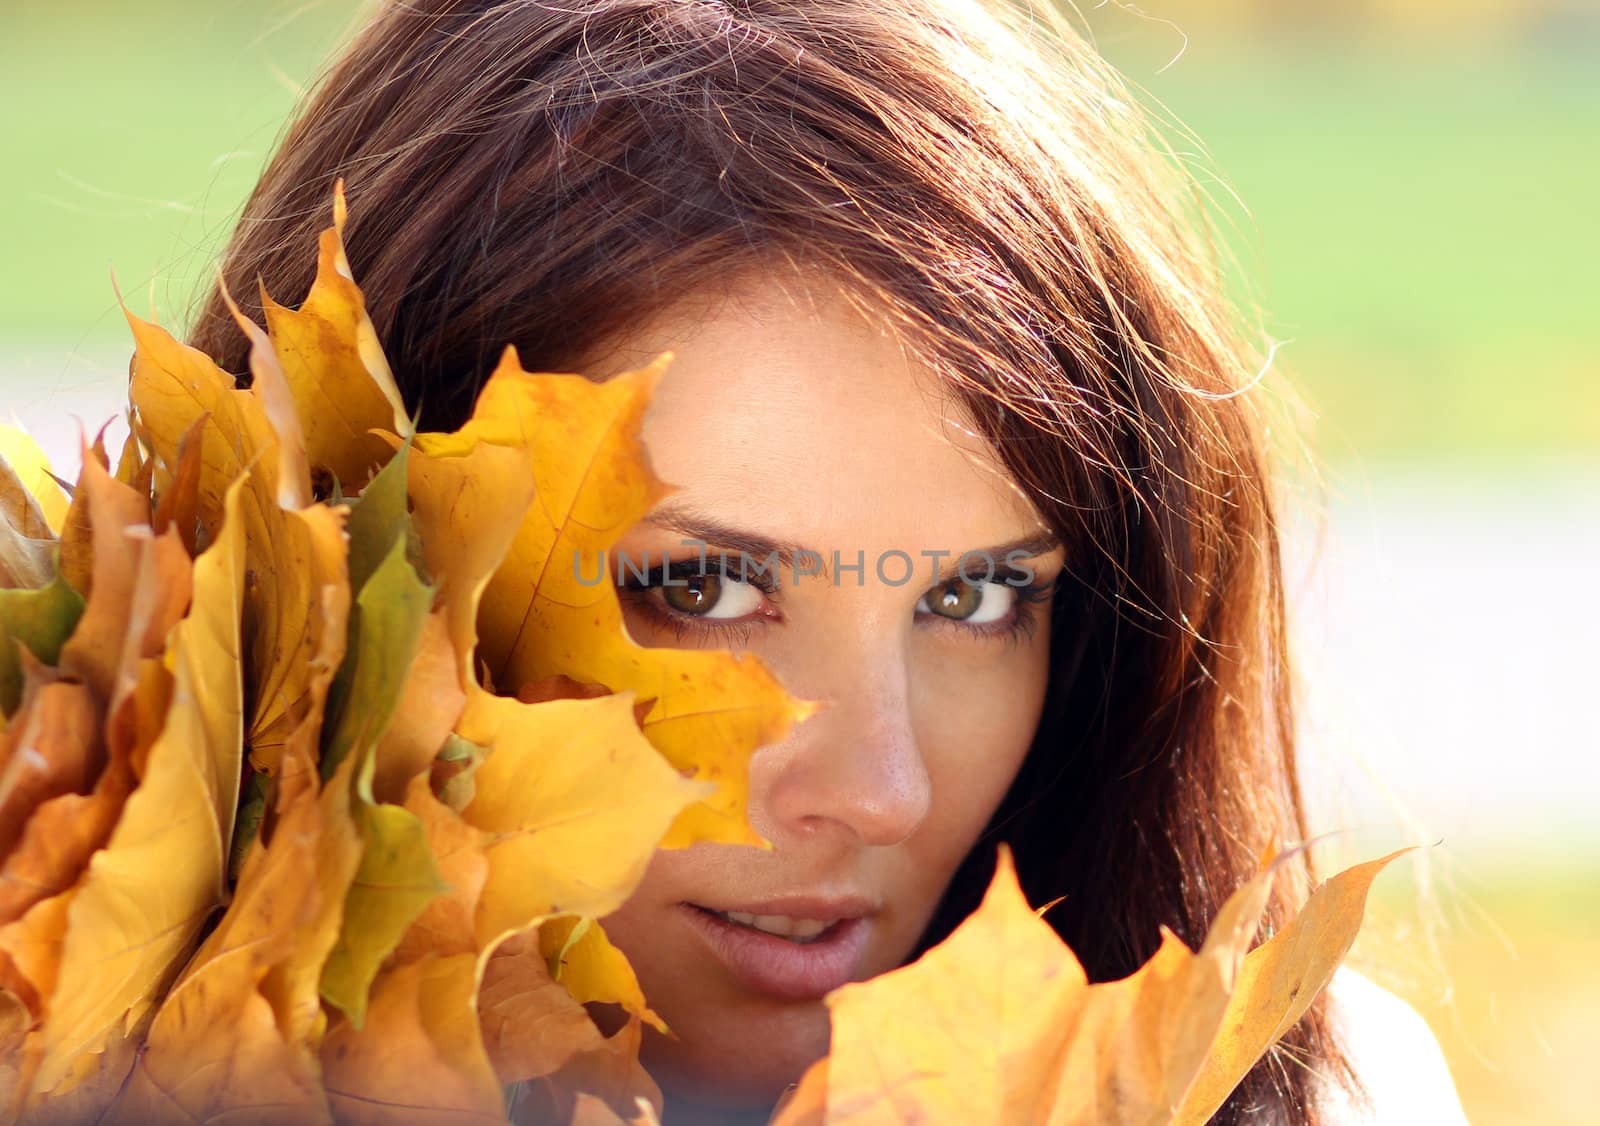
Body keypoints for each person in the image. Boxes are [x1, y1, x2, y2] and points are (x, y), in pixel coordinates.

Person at [187, 1, 1467, 1121]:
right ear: (341, 552)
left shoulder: (1302, 1097)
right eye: (700, 588)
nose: (880, 791)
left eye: (977, 596)